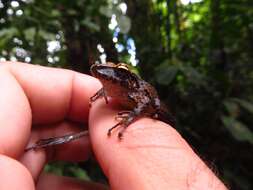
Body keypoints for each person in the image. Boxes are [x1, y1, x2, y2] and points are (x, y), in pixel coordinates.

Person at [0, 61, 227, 190]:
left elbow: (149, 102)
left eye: (117, 72)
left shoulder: (134, 88)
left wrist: (130, 118)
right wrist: (104, 90)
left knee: (156, 108)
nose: (106, 73)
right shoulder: (111, 87)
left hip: (153, 108)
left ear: (125, 76)